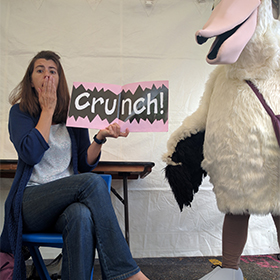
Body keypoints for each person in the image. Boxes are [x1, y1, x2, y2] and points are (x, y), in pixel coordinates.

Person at [0, 50, 149, 280]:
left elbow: (83, 163)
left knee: (80, 216)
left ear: (60, 80)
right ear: (31, 80)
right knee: (91, 183)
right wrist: (47, 110)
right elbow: (30, 154)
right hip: (31, 202)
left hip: (65, 202)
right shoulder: (20, 112)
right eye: (40, 70)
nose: (47, 75)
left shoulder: (74, 115)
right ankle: (125, 273)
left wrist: (99, 138)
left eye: (53, 71)